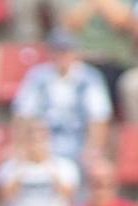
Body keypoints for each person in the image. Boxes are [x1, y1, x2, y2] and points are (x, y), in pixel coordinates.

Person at [12, 30, 112, 164]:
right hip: (43, 142)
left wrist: (93, 149)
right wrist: (20, 146)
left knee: (95, 165)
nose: (62, 56)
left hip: (78, 141)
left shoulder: (89, 78)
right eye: (58, 51)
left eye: (66, 51)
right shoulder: (38, 77)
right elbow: (24, 114)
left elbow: (99, 118)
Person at [0, 121, 80, 206]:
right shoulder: (9, 168)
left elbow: (68, 195)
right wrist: (21, 167)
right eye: (32, 140)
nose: (36, 145)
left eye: (41, 140)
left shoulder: (64, 166)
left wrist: (49, 166)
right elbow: (6, 197)